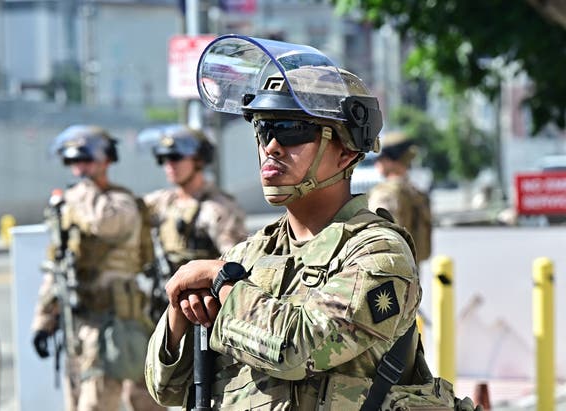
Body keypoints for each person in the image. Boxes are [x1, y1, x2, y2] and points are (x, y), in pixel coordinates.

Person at [144, 35, 479, 410]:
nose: (271, 146)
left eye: (291, 129)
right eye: (264, 129)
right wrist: (179, 309)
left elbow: (300, 348)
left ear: (347, 150)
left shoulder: (378, 252)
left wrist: (222, 283)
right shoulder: (250, 253)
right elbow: (168, 389)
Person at [31, 125, 159, 411]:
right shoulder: (71, 207)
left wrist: (79, 194)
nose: (80, 170)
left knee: (108, 403)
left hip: (117, 321)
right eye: (74, 163)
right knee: (76, 402)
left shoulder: (120, 203)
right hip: (78, 322)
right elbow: (58, 266)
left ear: (107, 161)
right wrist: (43, 321)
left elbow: (105, 224)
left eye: (86, 161)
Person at [122, 124, 248, 410]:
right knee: (144, 390)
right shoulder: (163, 203)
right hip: (163, 310)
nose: (170, 166)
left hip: (200, 318)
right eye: (164, 159)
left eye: (177, 158)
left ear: (199, 161)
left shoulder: (217, 209)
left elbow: (233, 263)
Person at [368, 131, 432, 266]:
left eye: (379, 158)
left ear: (391, 160)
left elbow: (377, 242)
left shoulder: (385, 194)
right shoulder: (414, 192)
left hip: (390, 271)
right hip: (412, 270)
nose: (377, 163)